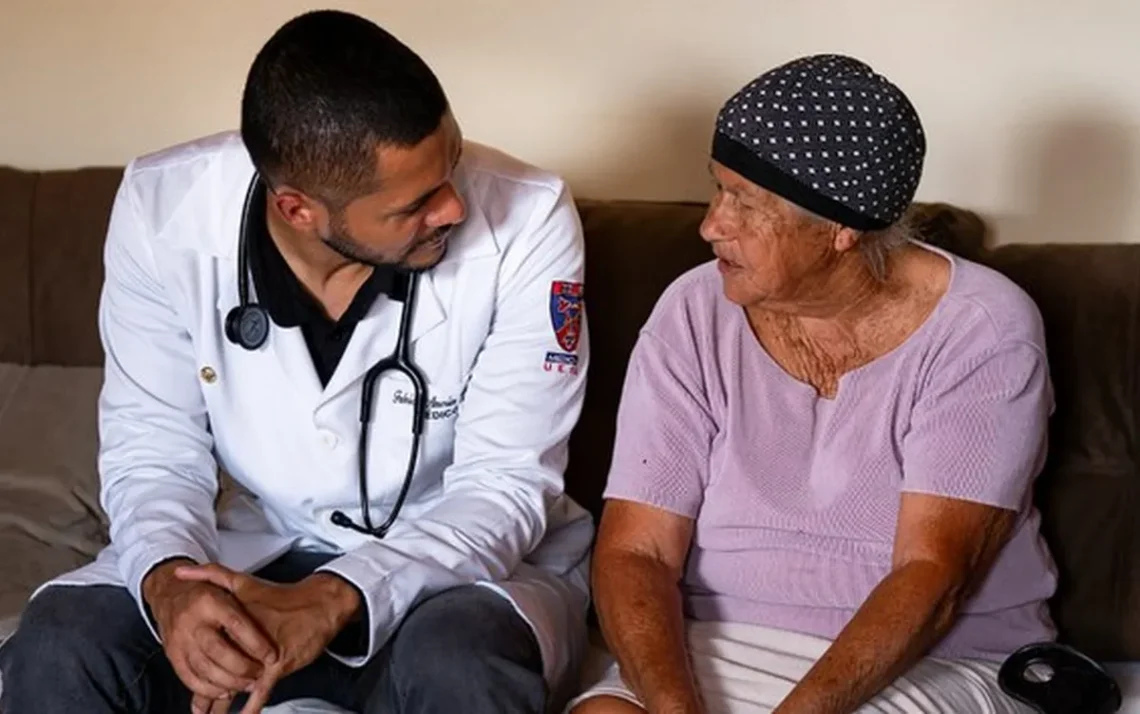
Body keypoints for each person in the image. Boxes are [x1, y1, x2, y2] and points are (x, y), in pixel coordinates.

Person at [0, 9, 593, 714]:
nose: (455, 208)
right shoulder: (165, 211)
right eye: (416, 205)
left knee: (457, 662)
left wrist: (334, 597)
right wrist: (172, 585)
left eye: (452, 164)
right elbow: (153, 450)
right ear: (297, 209)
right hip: (258, 545)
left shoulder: (530, 221)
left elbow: (503, 485)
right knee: (62, 643)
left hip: (455, 572)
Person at [568, 54, 1057, 714]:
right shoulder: (693, 309)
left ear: (840, 229)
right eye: (718, 188)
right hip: (713, 641)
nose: (711, 224)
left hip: (928, 657)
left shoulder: (983, 329)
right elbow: (638, 548)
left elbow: (931, 577)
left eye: (745, 201)